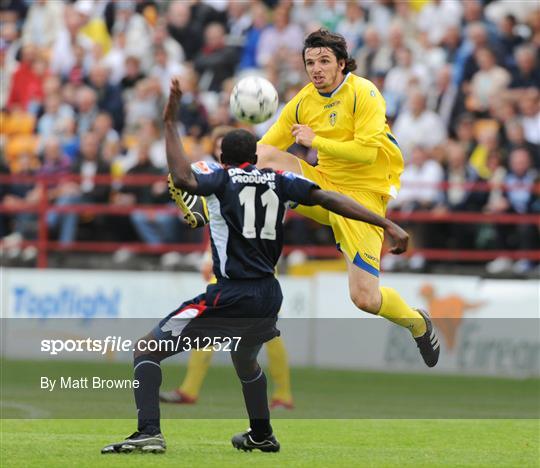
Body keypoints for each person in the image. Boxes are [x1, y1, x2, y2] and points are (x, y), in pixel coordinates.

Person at [101, 77, 411, 455]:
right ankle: (261, 434)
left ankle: (148, 431)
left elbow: (182, 176)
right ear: (257, 155)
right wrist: (387, 223)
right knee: (245, 358)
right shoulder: (281, 180)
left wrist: (170, 122)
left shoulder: (221, 180)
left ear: (224, 160)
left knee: (147, 349)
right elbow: (333, 199)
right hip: (268, 294)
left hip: (231, 292)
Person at [176, 29, 441, 368]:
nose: (316, 68)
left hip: (364, 197)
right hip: (324, 185)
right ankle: (228, 215)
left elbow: (365, 154)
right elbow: (260, 152)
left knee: (365, 298)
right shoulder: (302, 101)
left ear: (342, 64)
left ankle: (418, 323)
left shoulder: (364, 93)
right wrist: (209, 178)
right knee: (266, 156)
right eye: (310, 62)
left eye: (325, 61)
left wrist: (317, 142)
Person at [160, 127, 294, 409]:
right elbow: (220, 225)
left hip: (258, 268)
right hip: (236, 268)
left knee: (265, 335)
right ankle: (189, 389)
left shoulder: (232, 180)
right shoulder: (224, 180)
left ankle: (283, 394)